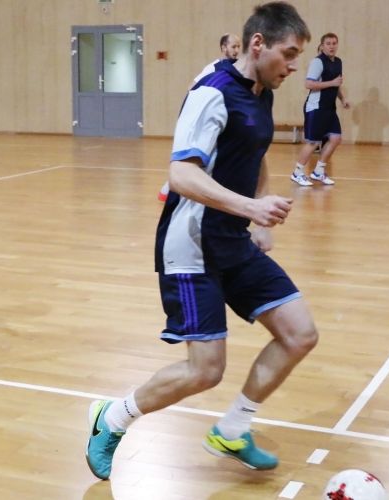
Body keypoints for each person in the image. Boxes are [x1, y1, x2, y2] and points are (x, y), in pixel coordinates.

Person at [86, 1, 315, 480]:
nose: (294, 66)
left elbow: (254, 152)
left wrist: (260, 210)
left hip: (232, 238)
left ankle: (232, 429)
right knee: (205, 370)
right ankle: (112, 418)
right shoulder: (213, 92)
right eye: (290, 54)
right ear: (258, 44)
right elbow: (181, 174)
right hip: (191, 246)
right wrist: (251, 208)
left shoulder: (262, 91)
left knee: (299, 334)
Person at [159, 34, 243, 202]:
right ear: (223, 48)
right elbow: (192, 86)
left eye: (238, 47)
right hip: (205, 121)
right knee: (197, 158)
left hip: (225, 120)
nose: (236, 50)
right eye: (233, 46)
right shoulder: (214, 68)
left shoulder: (238, 69)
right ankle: (170, 188)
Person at [291, 32, 349, 187]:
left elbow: (336, 84)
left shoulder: (338, 62)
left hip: (329, 108)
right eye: (328, 43)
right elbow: (309, 84)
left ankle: (318, 171)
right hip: (316, 107)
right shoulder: (318, 62)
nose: (331, 46)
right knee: (313, 142)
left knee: (335, 138)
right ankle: (297, 172)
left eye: (334, 43)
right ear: (322, 46)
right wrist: (332, 83)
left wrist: (343, 99)